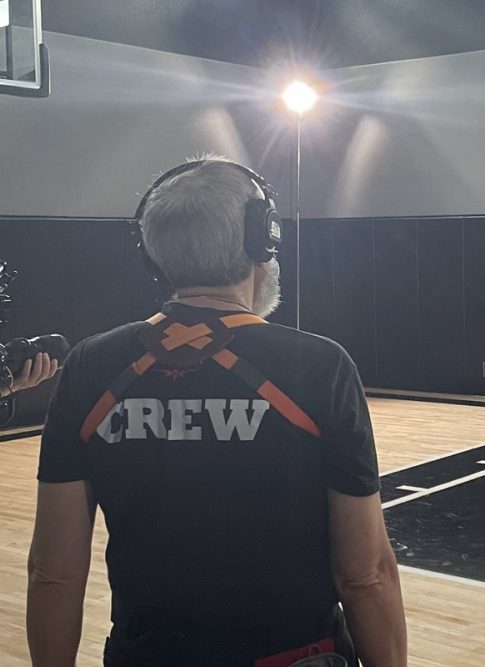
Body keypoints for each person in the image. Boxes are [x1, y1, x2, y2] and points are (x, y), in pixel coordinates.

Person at [26, 157, 406, 666]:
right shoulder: (319, 366)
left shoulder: (90, 367)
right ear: (261, 242)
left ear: (153, 255)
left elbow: (54, 572)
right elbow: (365, 575)